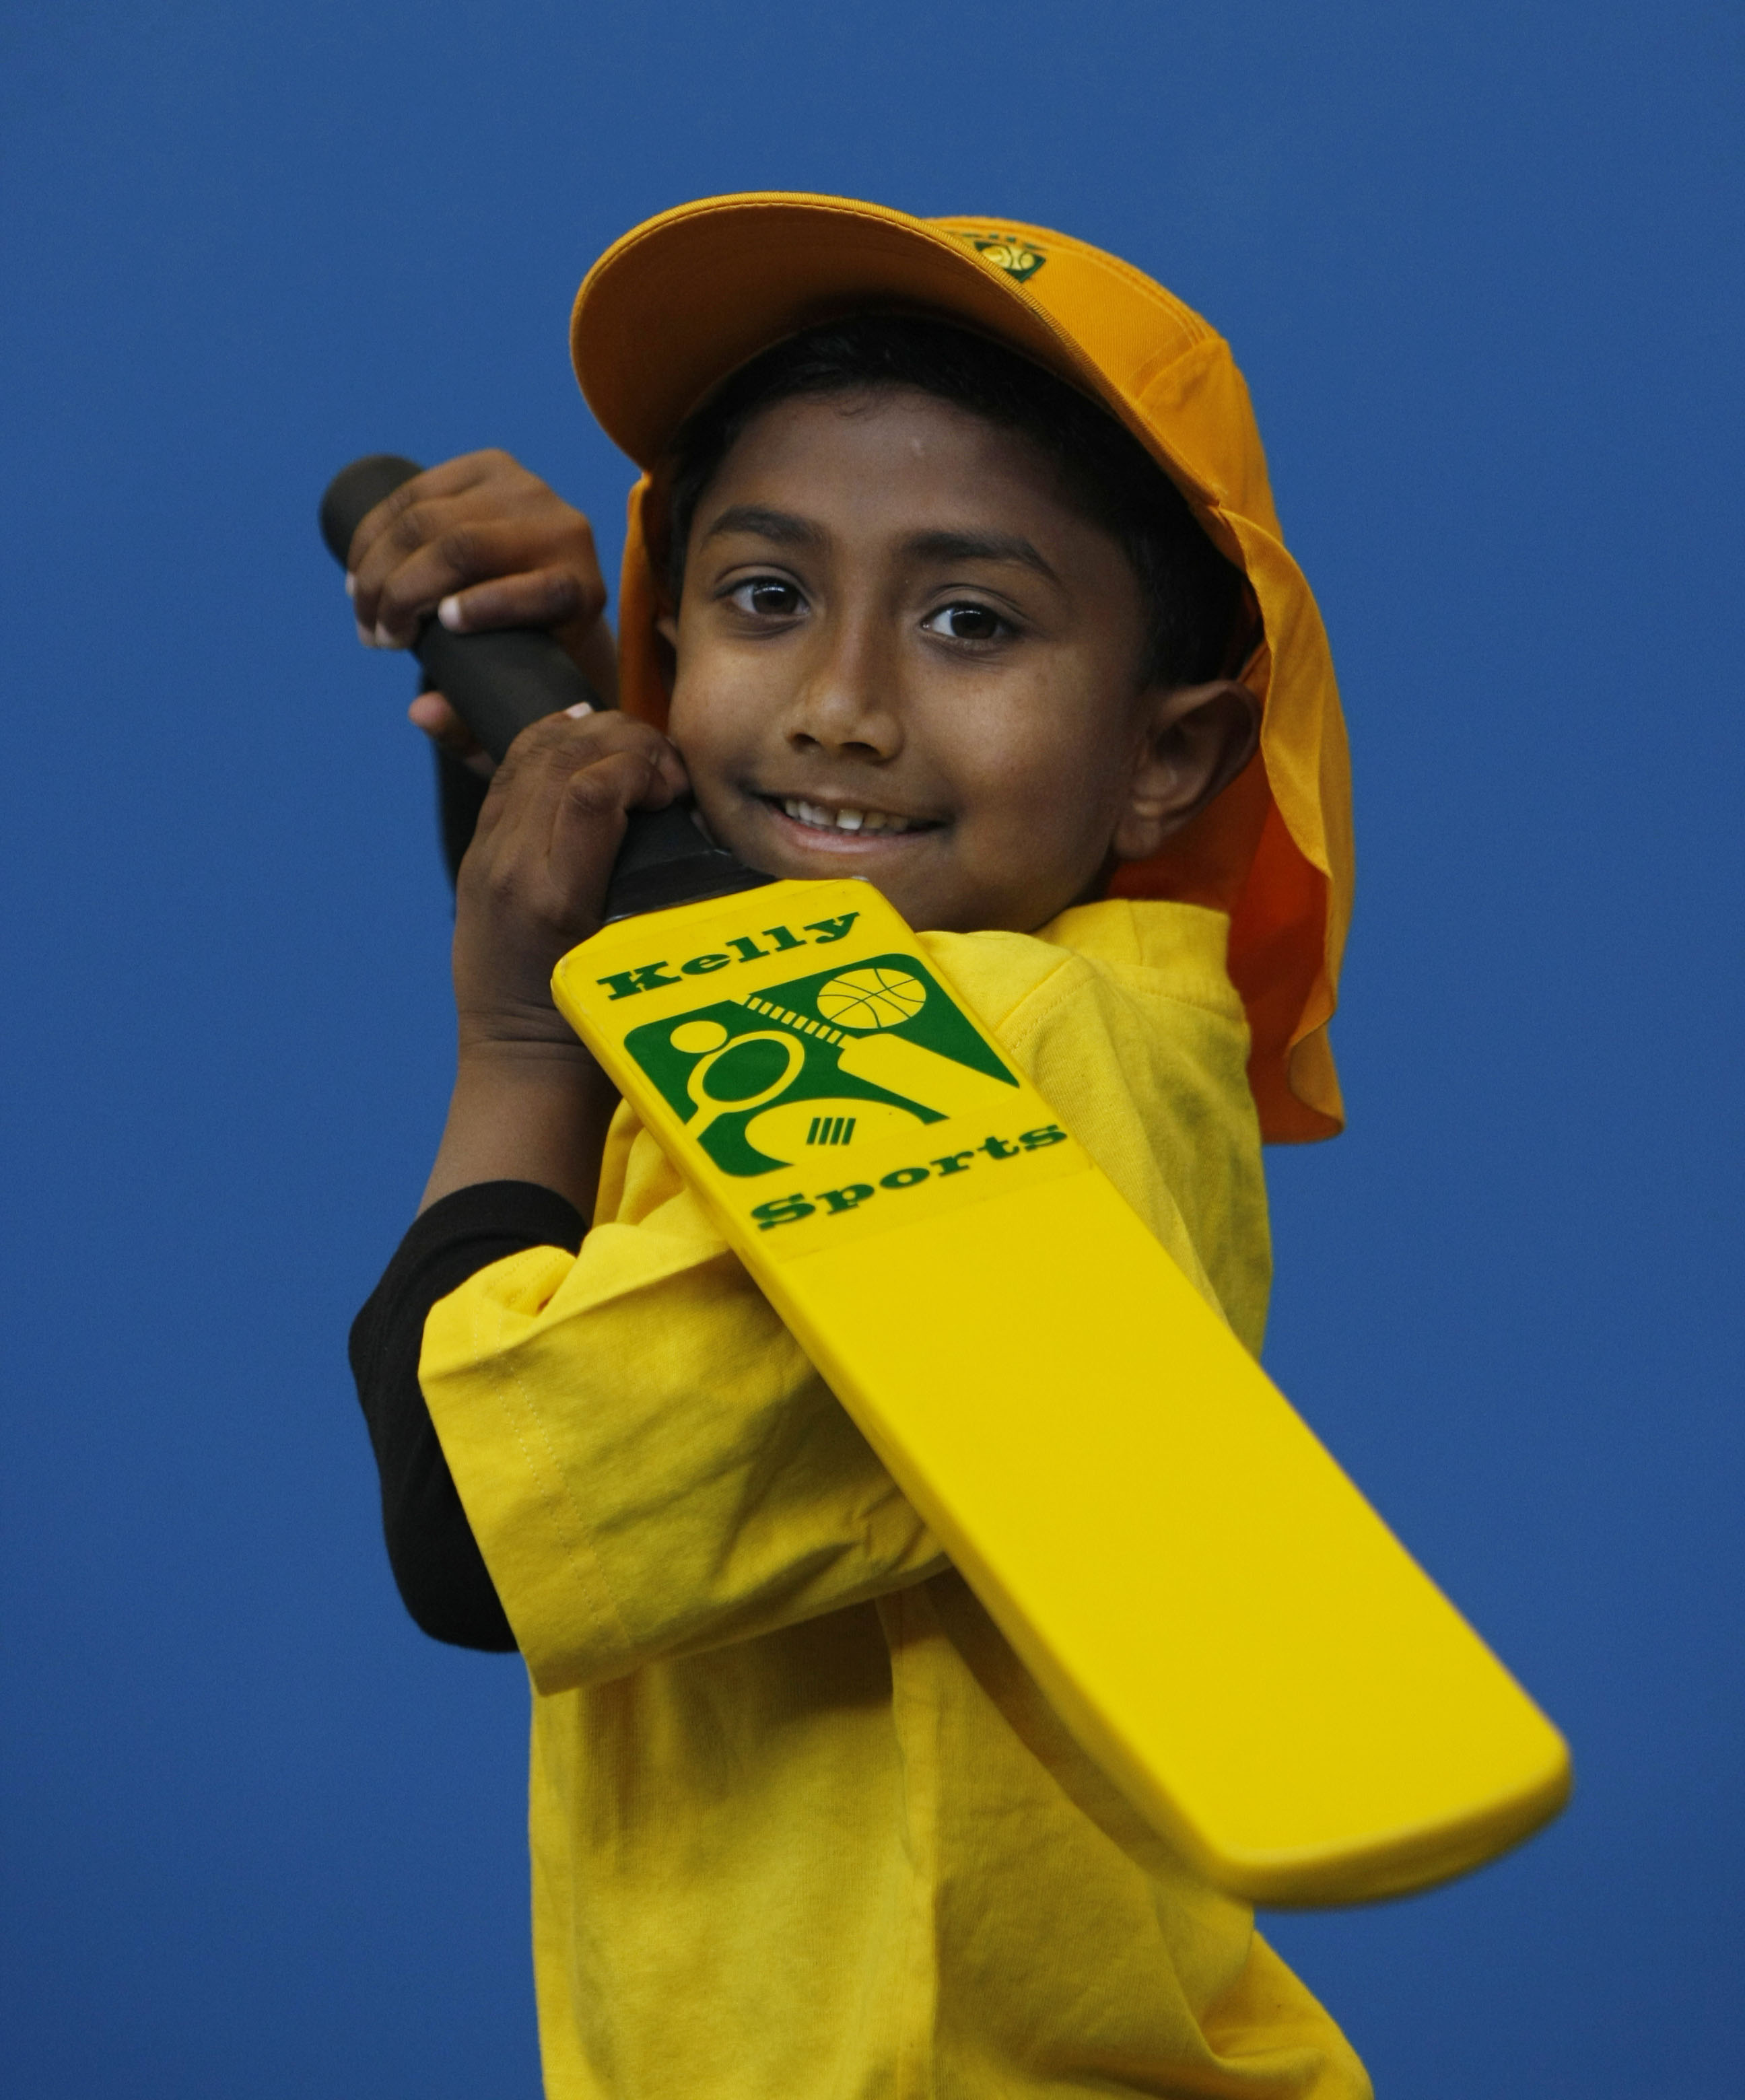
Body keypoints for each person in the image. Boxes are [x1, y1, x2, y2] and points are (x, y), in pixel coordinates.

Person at [347, 194, 1364, 2097]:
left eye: (972, 622)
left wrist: (513, 1042)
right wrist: (549, 700)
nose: (838, 707)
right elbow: (664, 1078)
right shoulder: (923, 1026)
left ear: (1171, 753)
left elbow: (470, 1529)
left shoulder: (1002, 1053)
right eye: (763, 596)